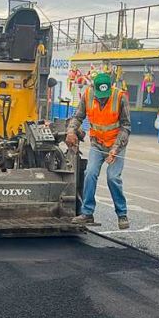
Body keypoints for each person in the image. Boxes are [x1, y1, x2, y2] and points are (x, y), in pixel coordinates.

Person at [66, 72, 130, 230]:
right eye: (100, 96)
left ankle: (122, 214)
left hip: (116, 145)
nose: (102, 99)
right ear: (94, 89)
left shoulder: (120, 97)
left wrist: (115, 148)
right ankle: (87, 213)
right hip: (97, 144)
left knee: (113, 177)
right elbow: (78, 116)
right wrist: (71, 131)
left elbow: (126, 126)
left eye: (105, 96)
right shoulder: (87, 95)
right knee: (90, 173)